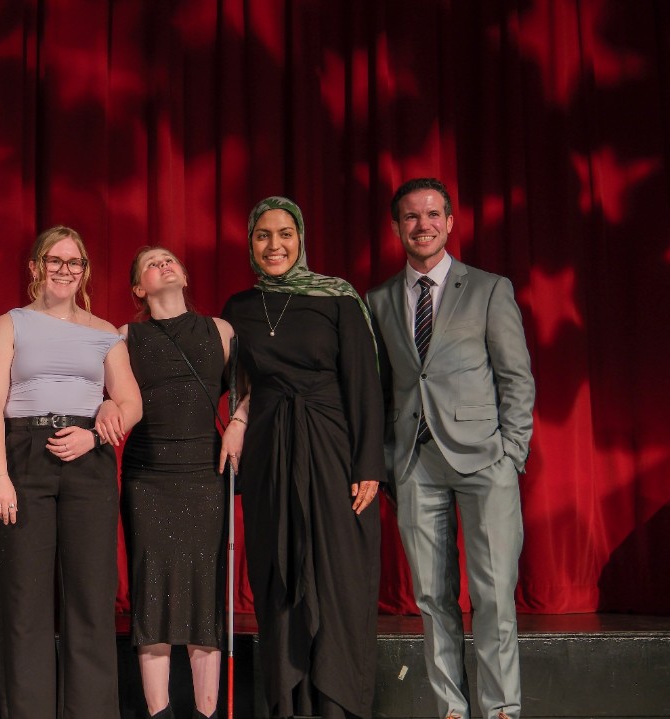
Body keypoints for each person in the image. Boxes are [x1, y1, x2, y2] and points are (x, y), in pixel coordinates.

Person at [366, 178, 535, 719]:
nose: (423, 225)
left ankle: (501, 708)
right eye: (411, 217)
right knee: (432, 599)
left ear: (451, 222)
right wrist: (389, 460)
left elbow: (516, 377)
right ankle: (451, 710)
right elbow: (378, 389)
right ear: (397, 227)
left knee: (493, 595)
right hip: (416, 465)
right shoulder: (379, 300)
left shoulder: (488, 289)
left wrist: (512, 452)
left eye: (433, 214)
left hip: (486, 462)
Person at [219, 196, 384, 719]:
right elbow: (237, 384)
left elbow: (364, 384)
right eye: (263, 235)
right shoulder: (239, 307)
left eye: (285, 234)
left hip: (333, 449)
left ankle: (338, 705)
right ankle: (290, 705)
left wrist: (368, 465)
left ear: (301, 239)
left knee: (338, 578)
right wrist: (239, 421)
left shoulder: (336, 298)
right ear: (251, 243)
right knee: (278, 575)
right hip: (270, 452)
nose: (275, 245)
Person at [0, 225, 143, 719]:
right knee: (25, 602)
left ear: (85, 271)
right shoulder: (9, 324)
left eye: (75, 262)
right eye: (55, 260)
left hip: (88, 460)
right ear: (36, 267)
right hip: (25, 456)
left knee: (90, 598)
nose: (65, 270)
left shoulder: (105, 332)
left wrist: (97, 433)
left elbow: (131, 402)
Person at [118, 246, 239, 719]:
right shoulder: (125, 336)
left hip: (205, 474)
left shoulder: (220, 331)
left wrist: (239, 421)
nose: (163, 264)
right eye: (151, 263)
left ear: (185, 275)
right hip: (148, 478)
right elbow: (110, 395)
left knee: (205, 595)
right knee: (152, 594)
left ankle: (207, 713)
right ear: (138, 287)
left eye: (169, 259)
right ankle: (160, 713)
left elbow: (249, 391)